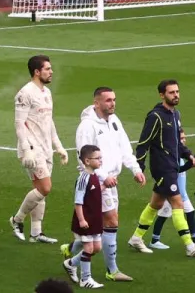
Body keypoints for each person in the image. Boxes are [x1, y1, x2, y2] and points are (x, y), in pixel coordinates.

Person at [127, 79, 195, 256]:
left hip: (172, 166)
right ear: (162, 95)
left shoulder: (175, 114)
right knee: (177, 202)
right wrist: (139, 167)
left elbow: (177, 144)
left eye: (177, 92)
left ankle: (136, 238)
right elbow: (143, 144)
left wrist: (189, 155)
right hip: (162, 168)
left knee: (155, 204)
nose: (176, 95)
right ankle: (190, 246)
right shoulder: (155, 116)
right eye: (171, 92)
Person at [72, 86, 143, 281]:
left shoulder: (114, 120)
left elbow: (125, 147)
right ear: (97, 102)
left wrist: (135, 169)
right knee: (111, 221)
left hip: (111, 181)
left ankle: (71, 253)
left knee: (100, 225)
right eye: (108, 100)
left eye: (114, 99)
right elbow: (82, 158)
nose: (113, 103)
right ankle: (112, 271)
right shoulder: (87, 126)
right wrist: (103, 177)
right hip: (95, 183)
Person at [12, 55, 71, 244]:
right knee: (45, 188)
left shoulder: (46, 93)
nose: (51, 71)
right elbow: (19, 124)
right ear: (37, 72)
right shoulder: (25, 93)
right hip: (31, 148)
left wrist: (59, 146)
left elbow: (49, 121)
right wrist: (26, 149)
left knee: (39, 189)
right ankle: (17, 220)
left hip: (46, 148)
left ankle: (36, 233)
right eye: (47, 69)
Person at [147, 127, 195, 250]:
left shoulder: (180, 152)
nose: (184, 140)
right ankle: (154, 240)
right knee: (163, 215)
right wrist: (189, 165)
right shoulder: (171, 154)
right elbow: (176, 171)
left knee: (190, 212)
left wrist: (192, 161)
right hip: (170, 192)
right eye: (181, 138)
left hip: (180, 192)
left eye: (184, 137)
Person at [63, 145, 106, 289]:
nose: (101, 160)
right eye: (98, 158)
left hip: (95, 219)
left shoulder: (94, 176)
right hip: (85, 220)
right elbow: (78, 201)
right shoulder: (83, 178)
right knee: (88, 248)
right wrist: (81, 219)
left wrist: (106, 186)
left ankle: (70, 264)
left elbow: (94, 193)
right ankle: (85, 279)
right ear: (87, 161)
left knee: (97, 248)